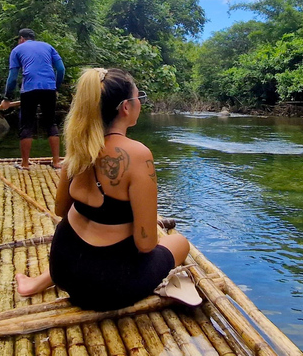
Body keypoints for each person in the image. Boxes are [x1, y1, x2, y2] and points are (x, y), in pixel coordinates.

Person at [14, 68, 191, 311]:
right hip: (106, 286)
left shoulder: (79, 143)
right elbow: (145, 244)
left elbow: (61, 209)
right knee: (180, 242)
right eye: (139, 97)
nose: (140, 102)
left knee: (88, 238)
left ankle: (40, 281)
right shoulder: (138, 154)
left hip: (63, 266)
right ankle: (44, 280)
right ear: (126, 107)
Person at [0, 28, 65, 170]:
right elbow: (61, 69)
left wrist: (7, 98)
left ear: (22, 38)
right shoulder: (48, 47)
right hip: (49, 88)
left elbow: (12, 78)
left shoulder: (17, 50)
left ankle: (25, 164)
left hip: (29, 89)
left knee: (27, 124)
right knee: (50, 123)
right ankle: (56, 162)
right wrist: (56, 88)